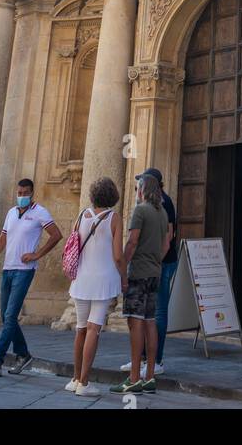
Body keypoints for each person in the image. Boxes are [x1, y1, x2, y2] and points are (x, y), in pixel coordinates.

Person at [0, 176, 62, 378]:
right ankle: (23, 354)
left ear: (32, 194)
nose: (21, 197)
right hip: (8, 269)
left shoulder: (40, 212)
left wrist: (37, 254)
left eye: (25, 194)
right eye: (19, 193)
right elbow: (2, 238)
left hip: (24, 271)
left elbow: (56, 235)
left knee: (9, 316)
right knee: (6, 314)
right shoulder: (11, 213)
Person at [110, 173, 170, 397]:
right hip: (155, 273)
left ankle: (134, 378)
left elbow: (132, 241)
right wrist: (155, 261)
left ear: (143, 190)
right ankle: (150, 376)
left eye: (137, 188)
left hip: (138, 274)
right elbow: (166, 242)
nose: (136, 191)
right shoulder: (162, 212)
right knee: (150, 323)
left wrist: (123, 270)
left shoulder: (141, 210)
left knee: (135, 324)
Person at [66, 177, 126, 398]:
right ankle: (85, 382)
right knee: (94, 329)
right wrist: (125, 278)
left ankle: (74, 378)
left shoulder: (82, 215)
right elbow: (118, 256)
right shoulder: (115, 218)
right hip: (103, 281)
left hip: (81, 279)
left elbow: (74, 242)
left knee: (81, 328)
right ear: (113, 196)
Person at [120, 167, 178, 378]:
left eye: (140, 185)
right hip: (156, 266)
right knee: (149, 317)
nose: (137, 189)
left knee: (148, 315)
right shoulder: (157, 208)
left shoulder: (162, 204)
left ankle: (153, 362)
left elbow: (167, 237)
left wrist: (152, 262)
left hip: (157, 266)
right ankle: (144, 362)